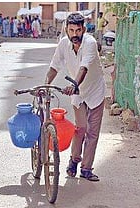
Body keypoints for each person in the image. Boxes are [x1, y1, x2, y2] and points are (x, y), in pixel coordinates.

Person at [44, 13, 105, 182]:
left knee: (92, 132)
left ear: (84, 29)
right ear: (66, 30)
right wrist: (46, 83)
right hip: (78, 94)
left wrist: (74, 85)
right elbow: (54, 66)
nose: (75, 34)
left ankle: (86, 169)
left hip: (95, 91)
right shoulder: (64, 43)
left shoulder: (90, 43)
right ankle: (74, 161)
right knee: (80, 129)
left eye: (78, 30)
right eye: (71, 30)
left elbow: (84, 68)